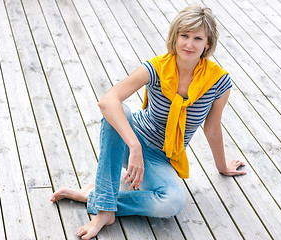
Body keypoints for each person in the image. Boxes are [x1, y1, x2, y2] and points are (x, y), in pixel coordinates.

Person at [50, 3, 246, 240]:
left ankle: (97, 196)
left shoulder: (218, 82)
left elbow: (212, 129)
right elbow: (107, 100)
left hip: (163, 156)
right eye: (184, 35)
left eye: (197, 38)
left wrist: (222, 167)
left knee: (171, 202)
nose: (189, 44)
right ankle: (105, 211)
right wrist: (134, 146)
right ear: (175, 36)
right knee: (117, 109)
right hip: (131, 142)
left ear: (208, 43)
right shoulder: (156, 67)